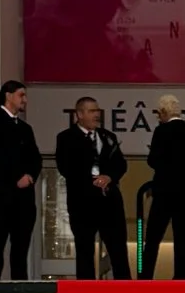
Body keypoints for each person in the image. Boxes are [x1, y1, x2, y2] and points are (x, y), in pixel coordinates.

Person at [55, 95, 130, 278]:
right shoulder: (66, 138)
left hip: (109, 202)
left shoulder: (108, 136)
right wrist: (91, 180)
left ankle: (125, 289)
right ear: (79, 114)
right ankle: (85, 290)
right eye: (91, 111)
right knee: (85, 250)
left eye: (97, 110)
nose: (96, 115)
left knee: (118, 249)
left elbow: (120, 164)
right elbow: (66, 167)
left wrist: (108, 177)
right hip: (83, 203)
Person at [0, 80, 43, 277]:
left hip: (25, 195)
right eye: (21, 95)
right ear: (8, 95)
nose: (25, 100)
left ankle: (20, 284)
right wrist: (16, 177)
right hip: (2, 191)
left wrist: (29, 176)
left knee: (21, 243)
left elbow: (36, 158)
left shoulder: (26, 128)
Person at [143, 92, 185, 279]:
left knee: (153, 238)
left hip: (164, 193)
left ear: (163, 112)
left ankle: (146, 277)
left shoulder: (161, 132)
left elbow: (153, 161)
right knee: (182, 240)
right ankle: (181, 278)